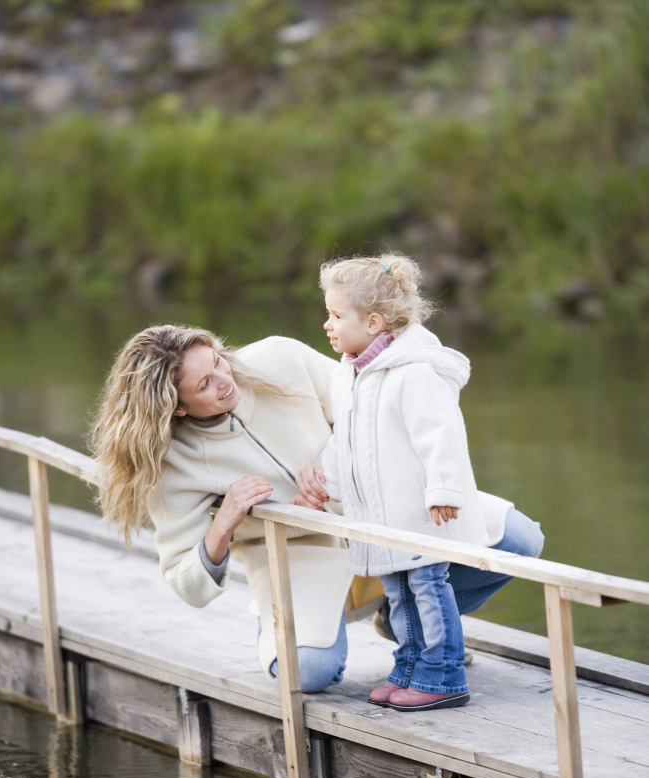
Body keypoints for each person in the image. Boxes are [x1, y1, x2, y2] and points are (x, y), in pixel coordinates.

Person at [296, 254, 544, 711]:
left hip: (419, 512)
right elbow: (345, 441)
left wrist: (443, 491)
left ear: (373, 322)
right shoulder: (349, 374)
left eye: (335, 315)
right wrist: (324, 480)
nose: (326, 324)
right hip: (382, 518)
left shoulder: (413, 372)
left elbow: (441, 435)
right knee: (400, 594)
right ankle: (409, 668)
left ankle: (443, 676)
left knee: (429, 589)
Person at [90, 325, 354, 693]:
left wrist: (330, 465)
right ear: (177, 408)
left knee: (464, 571)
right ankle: (292, 624)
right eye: (204, 386)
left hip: (372, 520)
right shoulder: (171, 464)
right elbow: (187, 584)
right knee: (305, 671)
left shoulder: (282, 358)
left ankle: (396, 612)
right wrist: (225, 521)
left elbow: (367, 408)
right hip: (294, 558)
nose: (225, 380)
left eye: (217, 362)